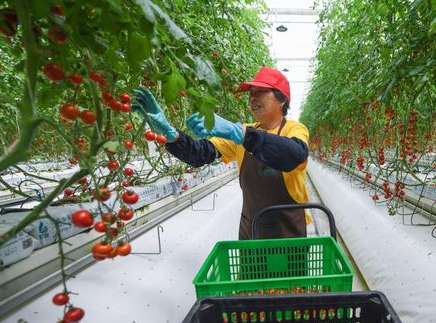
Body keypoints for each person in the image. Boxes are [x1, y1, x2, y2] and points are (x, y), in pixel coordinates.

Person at [131, 67, 310, 240]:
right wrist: (171, 135)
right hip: (251, 232)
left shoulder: (293, 129)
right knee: (250, 272)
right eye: (251, 93)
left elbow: (294, 154)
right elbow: (200, 153)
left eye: (261, 91)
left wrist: (241, 134)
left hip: (287, 235)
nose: (252, 98)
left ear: (282, 100)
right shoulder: (244, 132)